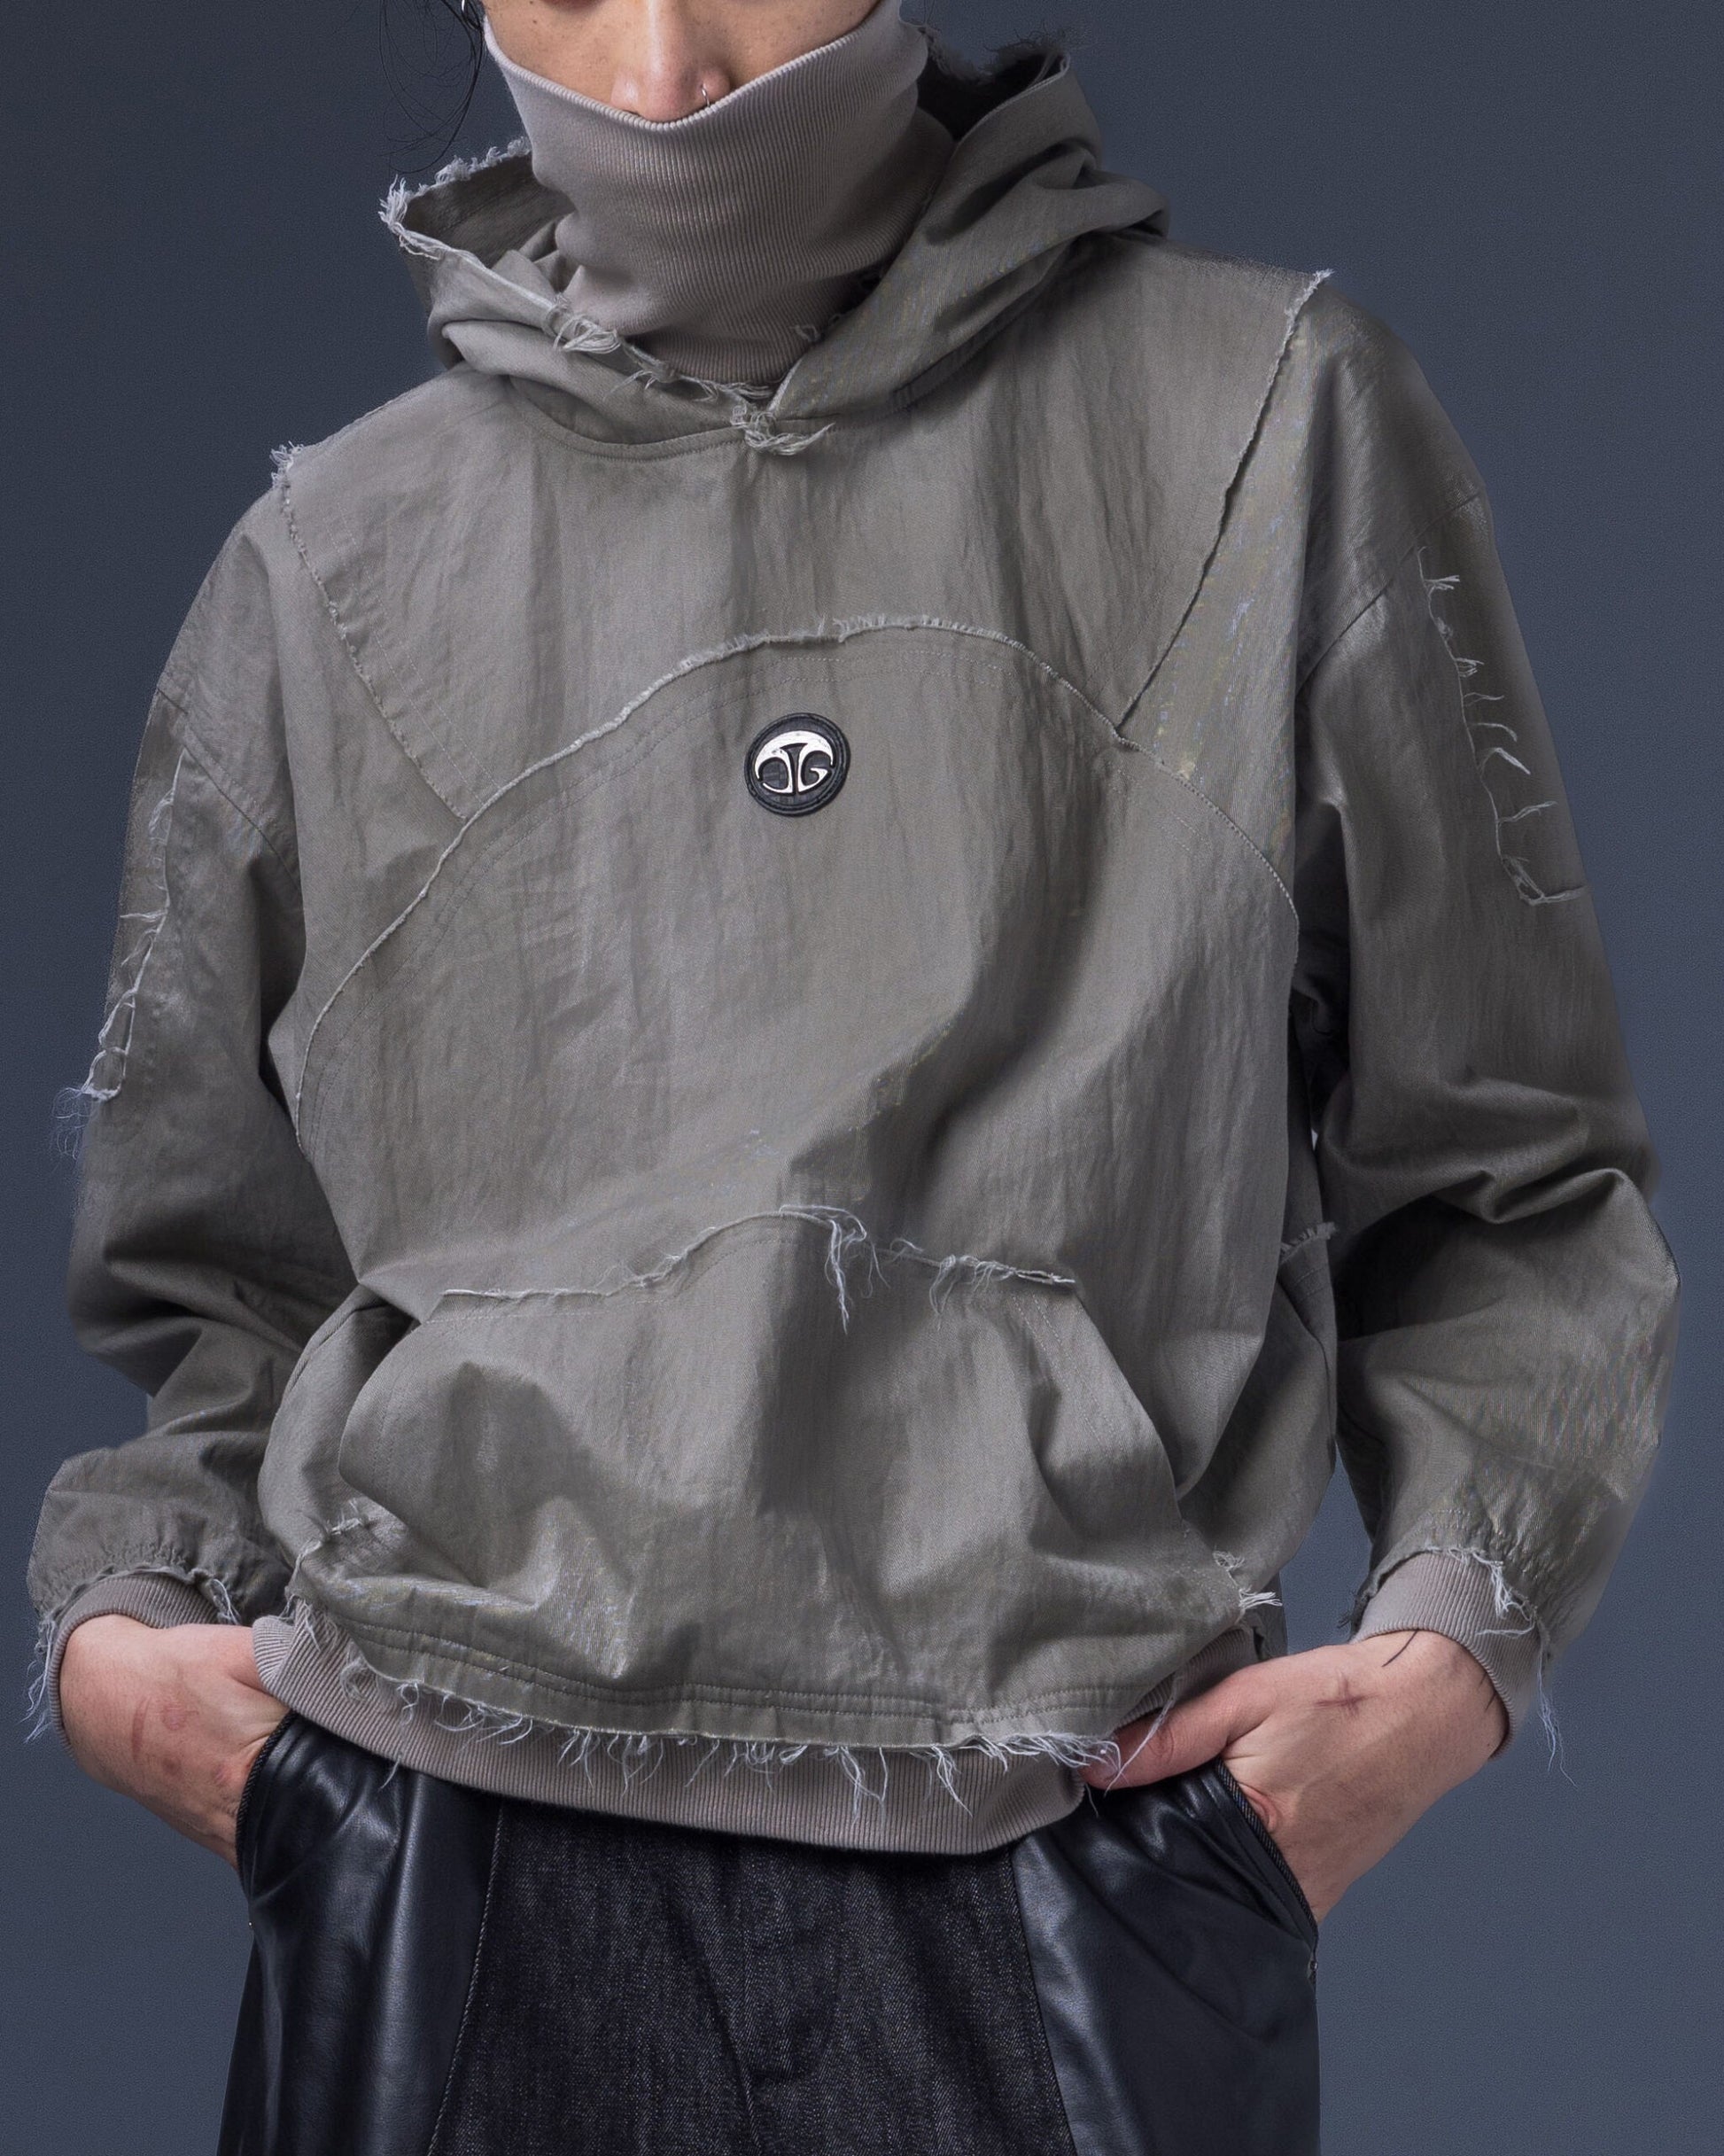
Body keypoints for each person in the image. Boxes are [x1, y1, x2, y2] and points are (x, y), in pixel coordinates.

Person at [30, 2, 1679, 2151]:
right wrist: (128, 1621)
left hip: (1068, 1846)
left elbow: (1510, 1173)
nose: (665, 64)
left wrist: (1450, 1651)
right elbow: (220, 1291)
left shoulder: (1267, 424)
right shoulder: (332, 565)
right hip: (444, 1849)